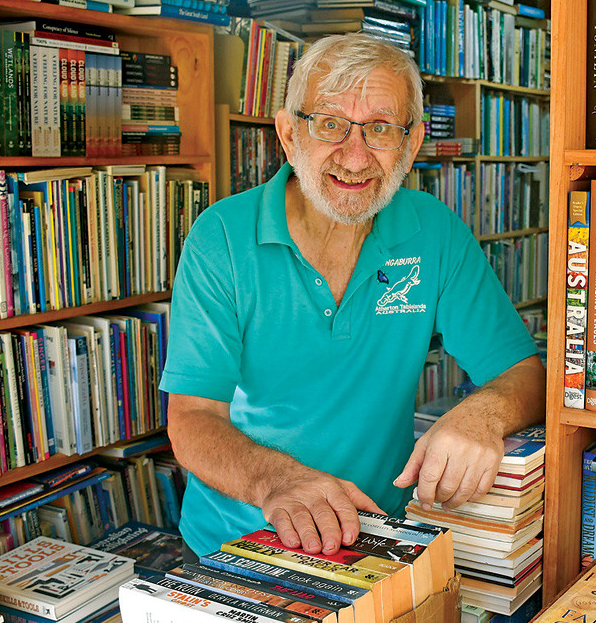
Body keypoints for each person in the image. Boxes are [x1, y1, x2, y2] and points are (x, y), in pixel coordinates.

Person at [160, 33, 546, 559]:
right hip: (235, 541)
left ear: (411, 145)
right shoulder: (221, 237)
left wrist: (483, 415)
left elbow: (524, 371)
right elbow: (192, 418)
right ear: (289, 134)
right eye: (330, 124)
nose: (356, 155)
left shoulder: (435, 233)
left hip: (377, 536)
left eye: (381, 128)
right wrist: (280, 483)